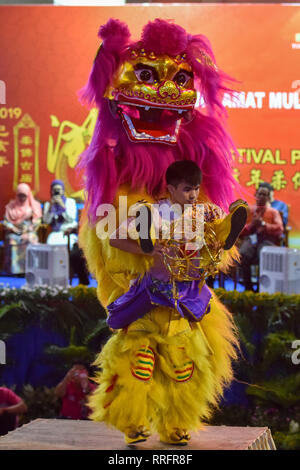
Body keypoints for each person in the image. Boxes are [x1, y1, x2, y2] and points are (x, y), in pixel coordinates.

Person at [88, 161, 247, 445]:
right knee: (140, 364)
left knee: (183, 370)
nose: (193, 194)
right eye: (187, 189)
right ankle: (133, 424)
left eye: (196, 188)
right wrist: (144, 249)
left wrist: (219, 236)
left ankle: (175, 427)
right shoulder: (156, 211)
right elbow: (115, 239)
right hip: (148, 303)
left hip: (182, 305)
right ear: (171, 188)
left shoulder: (203, 212)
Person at [43, 180, 89, 285]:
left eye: (59, 190)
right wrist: (51, 208)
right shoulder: (48, 204)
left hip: (68, 233)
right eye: (54, 190)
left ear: (63, 190)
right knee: (50, 245)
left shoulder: (70, 202)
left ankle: (66, 273)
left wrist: (62, 206)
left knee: (71, 249)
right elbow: (46, 221)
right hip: (55, 233)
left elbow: (71, 219)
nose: (57, 192)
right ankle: (53, 275)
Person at [239, 184, 284, 291]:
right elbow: (239, 230)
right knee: (243, 254)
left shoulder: (273, 212)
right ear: (255, 195)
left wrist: (264, 225)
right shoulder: (249, 210)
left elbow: (280, 229)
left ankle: (262, 289)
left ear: (268, 198)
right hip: (250, 239)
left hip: (267, 240)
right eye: (260, 194)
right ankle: (248, 288)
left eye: (265, 195)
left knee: (264, 255)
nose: (262, 196)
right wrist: (252, 225)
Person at [3, 183, 42, 274]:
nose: (22, 198)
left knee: (31, 239)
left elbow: (37, 221)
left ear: (28, 195)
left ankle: (31, 270)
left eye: (24, 195)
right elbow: (5, 221)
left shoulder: (34, 206)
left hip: (28, 231)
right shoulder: (11, 206)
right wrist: (13, 228)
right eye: (20, 195)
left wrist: (28, 229)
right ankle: (13, 271)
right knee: (11, 239)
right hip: (13, 232)